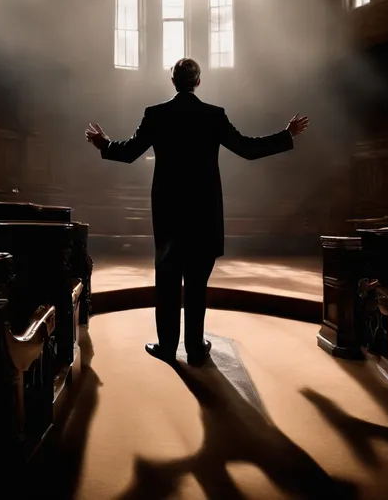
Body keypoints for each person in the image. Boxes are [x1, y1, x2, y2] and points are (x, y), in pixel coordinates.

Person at [86, 58, 309, 366]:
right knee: (196, 285)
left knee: (167, 283)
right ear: (199, 82)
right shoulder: (213, 116)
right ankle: (194, 349)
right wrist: (286, 135)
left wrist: (103, 143)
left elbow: (127, 153)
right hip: (204, 213)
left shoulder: (156, 114)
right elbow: (247, 148)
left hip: (169, 212)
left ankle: (167, 348)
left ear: (172, 81)